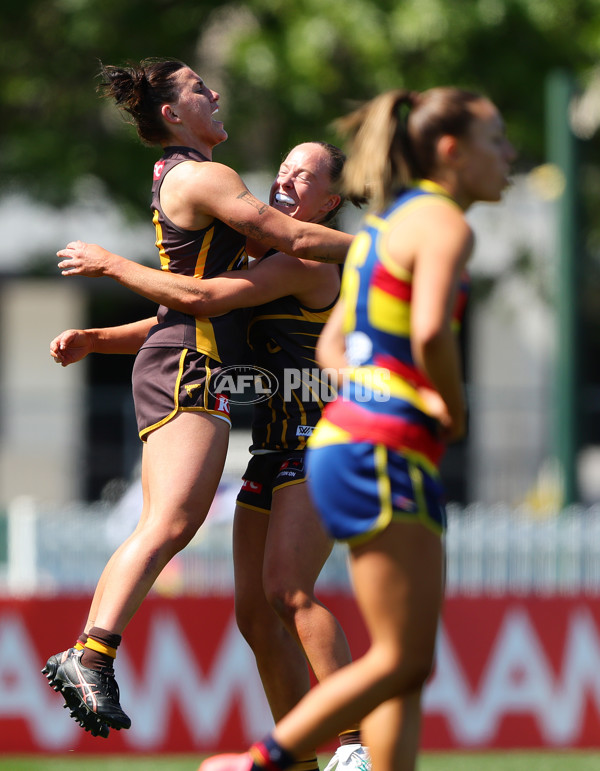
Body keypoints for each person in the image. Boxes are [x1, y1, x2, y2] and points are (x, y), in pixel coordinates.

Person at [197, 86, 516, 771]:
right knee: (396, 650)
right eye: (498, 141)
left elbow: (334, 348)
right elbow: (430, 331)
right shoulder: (441, 225)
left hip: (330, 442)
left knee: (348, 633)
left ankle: (321, 756)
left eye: (301, 173)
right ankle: (298, 755)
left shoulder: (375, 233)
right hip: (375, 444)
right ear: (451, 152)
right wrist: (448, 408)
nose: (511, 156)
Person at [42, 57, 352, 740]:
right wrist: (386, 249)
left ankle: (315, 749)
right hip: (194, 368)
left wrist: (98, 334)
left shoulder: (224, 216)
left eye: (306, 174)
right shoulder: (211, 179)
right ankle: (91, 651)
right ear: (174, 115)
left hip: (254, 406)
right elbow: (212, 294)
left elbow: (196, 302)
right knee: (176, 525)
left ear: (334, 196)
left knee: (259, 596)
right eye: (198, 90)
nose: (215, 94)